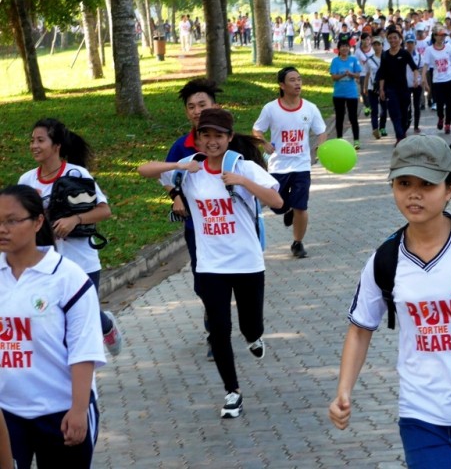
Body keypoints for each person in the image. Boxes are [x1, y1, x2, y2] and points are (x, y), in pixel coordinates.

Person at [328, 125, 451, 469]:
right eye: (404, 184)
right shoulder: (384, 259)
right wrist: (344, 390)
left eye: (427, 185)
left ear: (450, 189)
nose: (414, 195)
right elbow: (360, 329)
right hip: (421, 413)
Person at [138, 109, 284, 419]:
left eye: (219, 135)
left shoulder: (243, 167)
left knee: (249, 325)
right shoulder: (189, 172)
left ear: (230, 138)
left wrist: (243, 181)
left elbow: (278, 202)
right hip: (210, 265)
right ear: (199, 139)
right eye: (206, 135)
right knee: (218, 329)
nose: (213, 141)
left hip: (247, 263)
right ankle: (232, 391)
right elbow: (143, 170)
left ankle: (254, 336)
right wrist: (178, 165)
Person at [0, 184, 106, 468]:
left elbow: (84, 349)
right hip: (6, 413)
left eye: (11, 221)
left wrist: (79, 409)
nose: (2, 229)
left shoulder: (68, 277)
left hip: (61, 412)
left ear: (37, 222)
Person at [18, 119, 122, 357]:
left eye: (40, 140)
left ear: (56, 145)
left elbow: (104, 210)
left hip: (81, 262)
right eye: (32, 140)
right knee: (54, 319)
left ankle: (105, 327)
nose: (34, 145)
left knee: (84, 315)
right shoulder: (26, 181)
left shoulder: (76, 174)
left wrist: (75, 220)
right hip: (44, 264)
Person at [162, 78, 221, 361]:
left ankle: (241, 325)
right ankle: (216, 332)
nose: (197, 111)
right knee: (204, 283)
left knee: (236, 282)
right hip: (196, 228)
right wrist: (175, 195)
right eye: (191, 107)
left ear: (215, 106)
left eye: (202, 105)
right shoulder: (181, 146)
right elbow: (165, 175)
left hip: (232, 229)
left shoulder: (231, 141)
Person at [252, 67, 328, 259]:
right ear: (282, 85)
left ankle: (298, 243)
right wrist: (264, 143)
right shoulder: (271, 109)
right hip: (278, 166)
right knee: (277, 206)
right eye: (292, 80)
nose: (297, 83)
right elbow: (257, 130)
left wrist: (321, 147)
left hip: (302, 165)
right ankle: (288, 209)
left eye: (299, 79)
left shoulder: (310, 108)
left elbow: (321, 132)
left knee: (301, 206)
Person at [376, 27, 419, 142]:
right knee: (395, 114)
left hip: (404, 89)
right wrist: (381, 89)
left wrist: (416, 80)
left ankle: (402, 132)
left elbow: (414, 68)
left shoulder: (404, 53)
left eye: (395, 38)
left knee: (404, 116)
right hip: (390, 89)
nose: (392, 40)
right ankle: (399, 137)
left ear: (400, 39)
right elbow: (382, 74)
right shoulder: (385, 55)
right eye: (390, 38)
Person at [423, 24, 451, 135]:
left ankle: (448, 124)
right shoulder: (429, 50)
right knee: (439, 103)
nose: (442, 37)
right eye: (440, 35)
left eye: (444, 35)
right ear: (435, 36)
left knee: (449, 103)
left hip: (450, 79)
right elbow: (425, 66)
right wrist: (424, 81)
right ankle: (441, 117)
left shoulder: (449, 47)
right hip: (437, 81)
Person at [329, 40, 362, 150]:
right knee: (339, 118)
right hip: (338, 94)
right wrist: (343, 75)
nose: (344, 48)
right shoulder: (335, 61)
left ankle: (356, 140)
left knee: (353, 118)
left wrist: (351, 74)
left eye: (346, 46)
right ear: (339, 49)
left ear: (349, 48)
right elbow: (333, 77)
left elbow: (358, 75)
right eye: (342, 46)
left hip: (351, 94)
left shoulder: (354, 60)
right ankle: (339, 139)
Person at [363, 38, 388, 139]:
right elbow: (367, 74)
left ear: (382, 45)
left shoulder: (386, 58)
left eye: (378, 44)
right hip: (372, 87)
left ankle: (382, 127)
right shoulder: (369, 60)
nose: (376, 47)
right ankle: (375, 129)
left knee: (384, 108)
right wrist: (364, 88)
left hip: (385, 87)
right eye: (374, 45)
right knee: (374, 110)